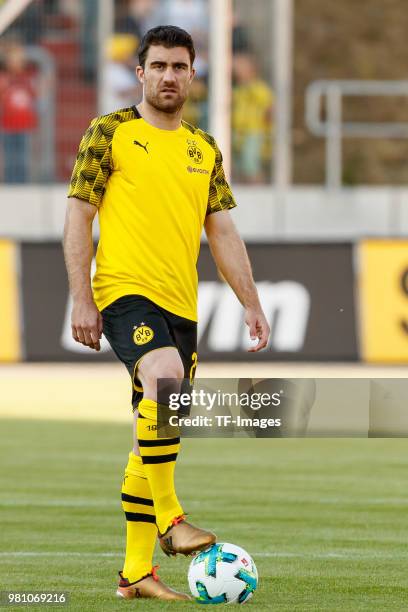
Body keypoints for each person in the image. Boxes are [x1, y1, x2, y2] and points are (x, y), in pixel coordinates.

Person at [64, 25, 270, 601]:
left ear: (193, 74)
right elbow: (79, 214)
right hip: (126, 293)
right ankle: (172, 520)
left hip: (183, 308)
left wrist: (250, 302)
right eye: (158, 66)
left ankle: (135, 574)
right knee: (163, 379)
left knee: (148, 438)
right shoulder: (110, 133)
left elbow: (223, 231)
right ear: (141, 74)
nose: (169, 76)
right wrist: (82, 295)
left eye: (179, 67)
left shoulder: (204, 149)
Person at [0, 42, 38, 183]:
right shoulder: (4, 78)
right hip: (8, 125)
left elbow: (36, 94)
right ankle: (10, 182)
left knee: (23, 157)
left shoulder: (27, 78)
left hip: (24, 126)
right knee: (10, 157)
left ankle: (22, 182)